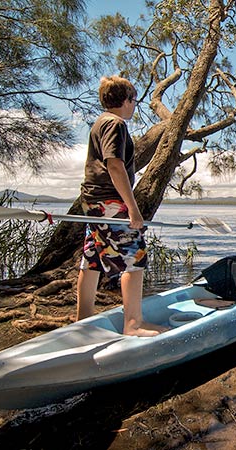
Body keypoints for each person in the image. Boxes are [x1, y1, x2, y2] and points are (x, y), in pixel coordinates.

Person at [75, 75, 166, 337]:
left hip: (93, 201)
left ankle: (83, 321)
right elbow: (114, 164)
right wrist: (133, 208)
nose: (135, 105)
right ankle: (134, 324)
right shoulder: (115, 124)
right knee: (134, 258)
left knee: (92, 259)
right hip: (110, 203)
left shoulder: (100, 123)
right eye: (133, 100)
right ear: (125, 100)